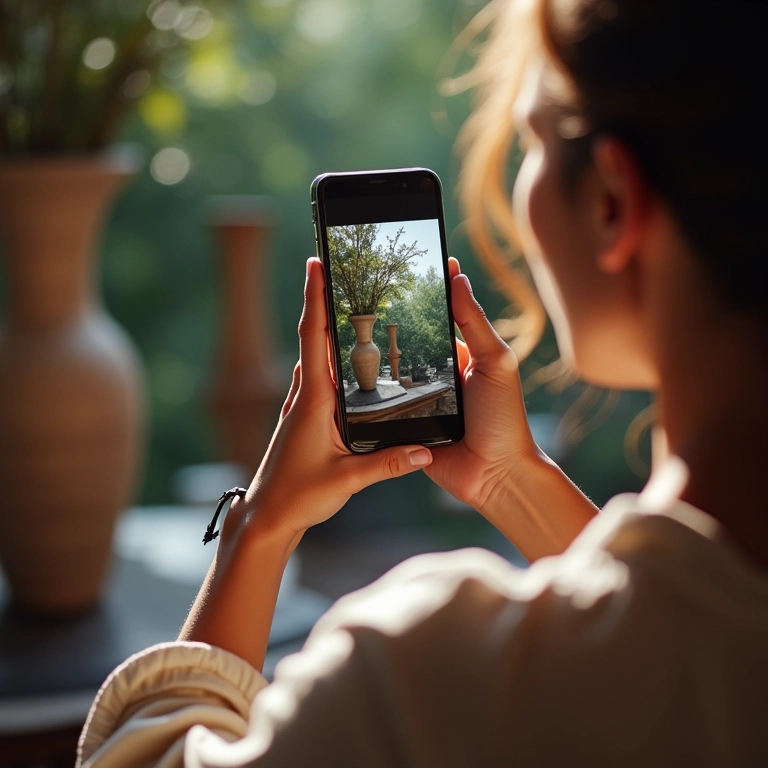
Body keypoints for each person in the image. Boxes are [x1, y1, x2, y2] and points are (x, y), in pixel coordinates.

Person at [77, 0, 768, 765]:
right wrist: (511, 481)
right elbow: (675, 627)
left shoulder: (422, 679)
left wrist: (260, 527)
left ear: (611, 200)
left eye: (534, 140)